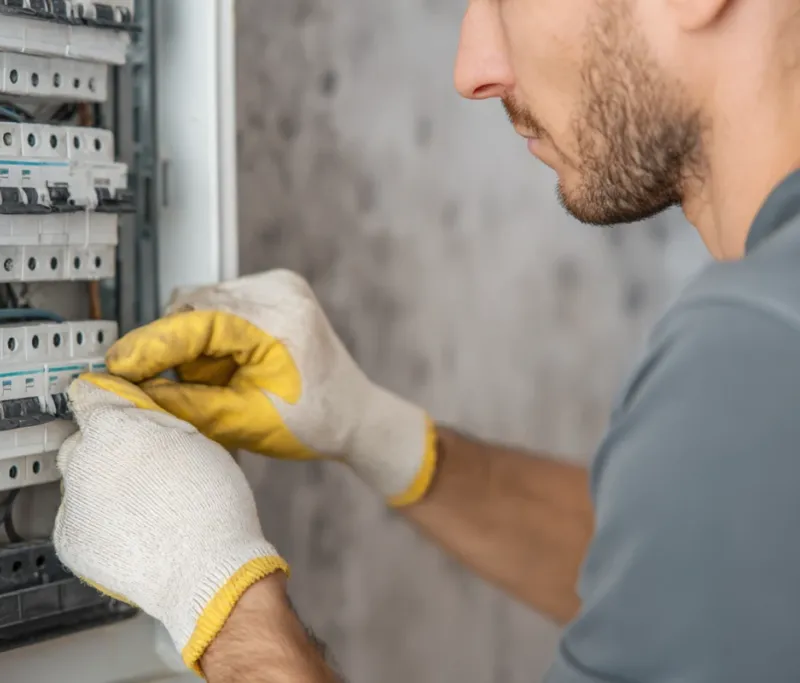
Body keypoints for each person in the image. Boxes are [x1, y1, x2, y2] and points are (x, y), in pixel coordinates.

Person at [51, 0, 800, 680]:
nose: (473, 70)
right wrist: (379, 434)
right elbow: (692, 580)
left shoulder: (750, 351)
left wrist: (218, 595)